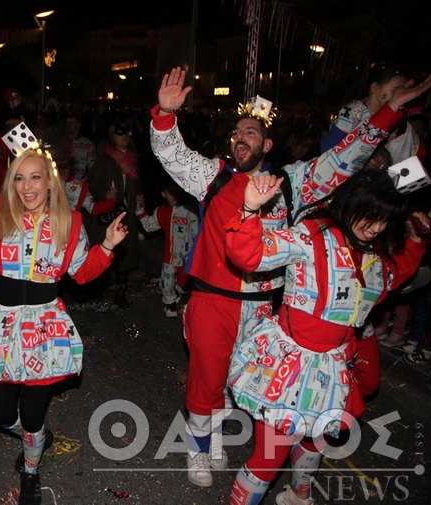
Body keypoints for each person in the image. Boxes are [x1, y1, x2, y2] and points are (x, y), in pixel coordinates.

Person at [150, 66, 431, 487]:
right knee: (206, 378)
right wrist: (165, 115)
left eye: (251, 133)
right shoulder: (213, 176)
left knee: (238, 380)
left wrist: (388, 112)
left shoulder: (292, 183)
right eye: (236, 133)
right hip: (214, 300)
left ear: (267, 143)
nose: (240, 138)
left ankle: (217, 435)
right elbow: (171, 153)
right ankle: (199, 447)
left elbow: (344, 158)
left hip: (265, 310)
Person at [0, 143, 128, 505]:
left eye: (35, 177)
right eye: (19, 178)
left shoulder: (68, 222)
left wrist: (108, 247)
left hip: (44, 331)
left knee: (34, 414)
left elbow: (82, 272)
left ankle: (32, 469)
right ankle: (32, 437)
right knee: (1, 415)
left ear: (50, 183)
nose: (27, 186)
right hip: (1, 329)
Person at [224, 169, 426, 505]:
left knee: (316, 438)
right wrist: (248, 210)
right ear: (352, 204)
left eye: (384, 220)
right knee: (269, 457)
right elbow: (248, 255)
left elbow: (395, 274)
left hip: (331, 368)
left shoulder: (373, 253)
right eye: (371, 216)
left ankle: (297, 495)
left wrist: (417, 242)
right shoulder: (311, 235)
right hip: (289, 367)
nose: (376, 227)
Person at [87, 118, 144, 308]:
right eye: (120, 134)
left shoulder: (133, 159)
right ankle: (100, 287)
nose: (124, 137)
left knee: (126, 252)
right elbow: (93, 183)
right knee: (108, 249)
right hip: (111, 212)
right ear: (113, 135)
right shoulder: (105, 158)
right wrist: (104, 193)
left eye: (127, 134)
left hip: (128, 212)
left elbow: (137, 182)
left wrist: (139, 195)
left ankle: (121, 292)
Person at [320, 62, 425, 162]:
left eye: (404, 92)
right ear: (375, 88)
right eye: (395, 91)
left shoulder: (400, 123)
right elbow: (328, 147)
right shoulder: (354, 113)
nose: (400, 96)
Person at [135, 183, 199, 317]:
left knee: (184, 285)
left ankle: (177, 293)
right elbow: (150, 226)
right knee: (167, 282)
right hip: (170, 256)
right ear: (164, 194)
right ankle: (170, 305)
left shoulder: (190, 211)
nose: (174, 197)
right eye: (170, 193)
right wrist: (140, 211)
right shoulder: (162, 211)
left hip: (187, 257)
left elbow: (197, 234)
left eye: (176, 193)